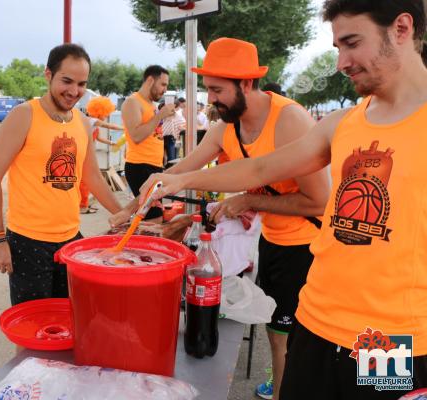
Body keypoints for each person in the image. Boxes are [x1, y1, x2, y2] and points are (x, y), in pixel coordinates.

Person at [139, 1, 427, 398]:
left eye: (352, 42)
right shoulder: (343, 122)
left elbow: (311, 199)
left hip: (390, 338)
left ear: (401, 28)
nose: (342, 62)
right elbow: (260, 170)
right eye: (336, 48)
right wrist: (175, 179)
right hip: (315, 324)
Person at [116, 37, 330, 400]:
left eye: (217, 90)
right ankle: (279, 386)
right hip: (273, 240)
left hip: (307, 247)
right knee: (276, 336)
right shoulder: (226, 128)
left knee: (293, 341)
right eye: (208, 90)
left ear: (246, 83)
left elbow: (319, 203)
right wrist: (132, 206)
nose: (210, 100)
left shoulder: (289, 120)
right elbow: (180, 171)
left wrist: (249, 199)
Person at [0, 43, 123, 306]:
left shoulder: (81, 121)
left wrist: (123, 216)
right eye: (66, 81)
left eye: (81, 84)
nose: (74, 91)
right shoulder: (23, 115)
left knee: (69, 320)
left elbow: (91, 177)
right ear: (48, 74)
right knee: (34, 328)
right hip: (27, 242)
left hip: (71, 240)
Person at [121, 65, 175, 221]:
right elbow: (136, 135)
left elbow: (154, 134)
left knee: (152, 216)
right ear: (151, 80)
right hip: (140, 166)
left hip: (153, 166)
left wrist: (162, 154)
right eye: (163, 84)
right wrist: (160, 116)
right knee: (152, 218)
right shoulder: (132, 102)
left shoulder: (151, 105)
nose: (165, 90)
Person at [80, 97, 124, 214]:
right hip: (84, 153)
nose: (107, 116)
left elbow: (98, 138)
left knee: (85, 180)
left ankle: (84, 204)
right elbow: (110, 127)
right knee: (85, 180)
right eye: (106, 113)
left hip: (88, 153)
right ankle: (83, 206)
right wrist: (125, 129)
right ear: (100, 112)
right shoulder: (93, 121)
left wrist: (111, 143)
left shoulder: (92, 122)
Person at [160, 100, 186, 167]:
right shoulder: (160, 117)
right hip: (160, 138)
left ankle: (169, 172)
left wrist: (182, 127)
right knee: (160, 158)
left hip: (170, 138)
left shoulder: (176, 115)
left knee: (171, 158)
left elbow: (183, 123)